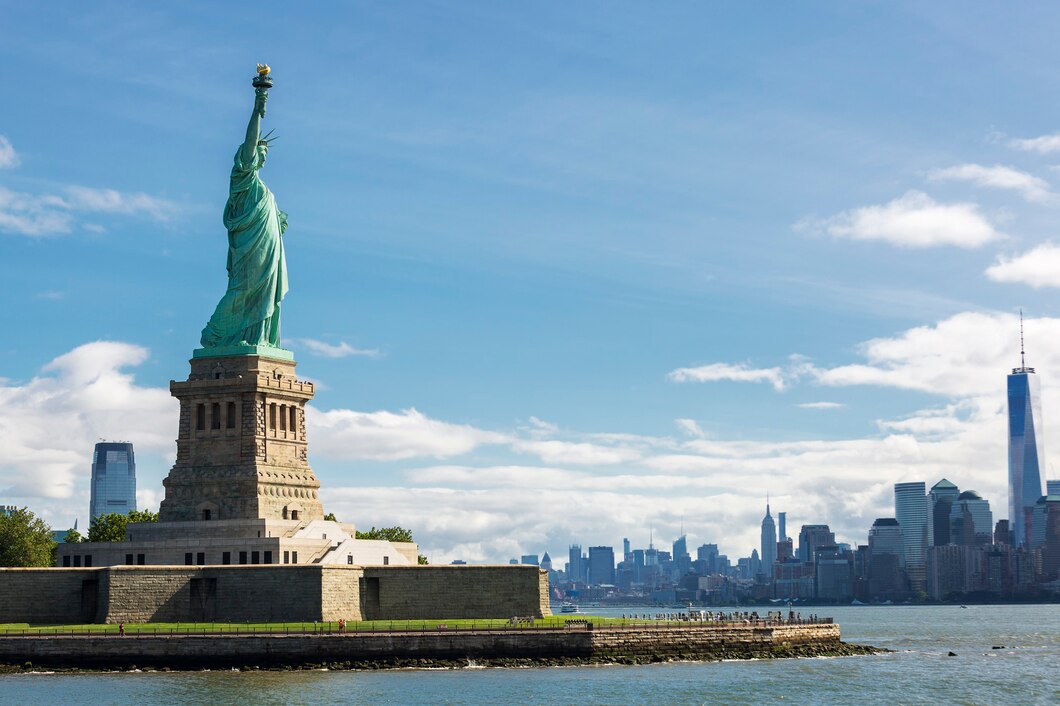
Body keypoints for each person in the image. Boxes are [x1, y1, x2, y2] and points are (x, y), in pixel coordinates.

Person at [200, 84, 289, 350]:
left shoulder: (263, 190)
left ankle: (257, 338)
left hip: (268, 252)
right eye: (259, 150)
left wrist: (278, 221)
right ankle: (215, 334)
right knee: (242, 290)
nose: (262, 154)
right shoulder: (243, 179)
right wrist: (258, 106)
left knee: (262, 294)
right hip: (250, 250)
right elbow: (251, 142)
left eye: (265, 152)